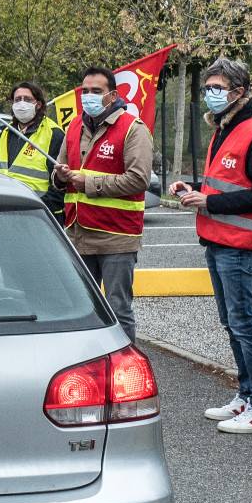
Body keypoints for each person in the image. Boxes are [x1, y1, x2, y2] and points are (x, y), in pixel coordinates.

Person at [169, 57, 252, 434]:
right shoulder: (223, 128)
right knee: (230, 322)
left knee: (243, 323)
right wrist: (195, 191)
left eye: (217, 88)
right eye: (207, 88)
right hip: (217, 240)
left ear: (239, 91)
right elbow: (224, 183)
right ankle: (247, 396)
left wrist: (210, 202)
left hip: (237, 245)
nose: (210, 94)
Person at [53, 66, 152, 343]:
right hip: (78, 233)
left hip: (116, 237)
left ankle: (127, 377)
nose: (88, 96)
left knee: (118, 310)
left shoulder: (133, 128)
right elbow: (61, 172)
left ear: (112, 95)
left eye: (96, 91)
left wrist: (89, 183)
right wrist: (59, 178)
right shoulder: (74, 126)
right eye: (85, 91)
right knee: (81, 310)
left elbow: (139, 179)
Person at [0, 81, 65, 214]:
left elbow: (61, 183)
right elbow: (0, 169)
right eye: (17, 99)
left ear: (39, 104)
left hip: (37, 214)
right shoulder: (5, 132)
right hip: (4, 209)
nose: (22, 103)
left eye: (28, 99)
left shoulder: (54, 134)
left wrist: (41, 208)